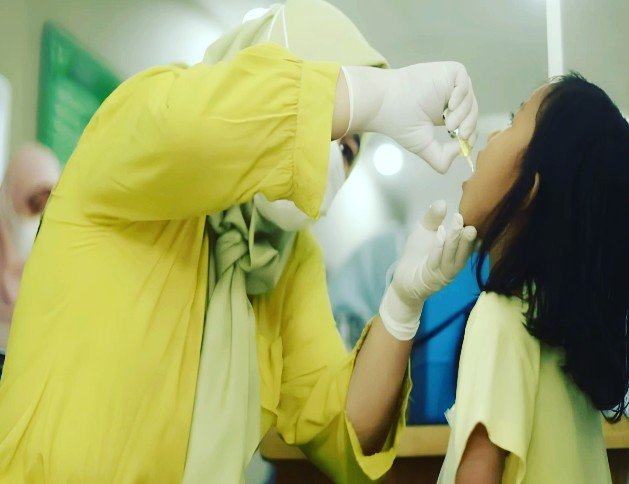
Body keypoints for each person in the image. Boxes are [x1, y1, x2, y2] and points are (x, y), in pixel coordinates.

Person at [0, 1, 478, 482]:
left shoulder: (288, 261)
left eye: (351, 146)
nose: (334, 151)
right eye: (333, 115)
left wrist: (401, 307)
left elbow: (343, 429)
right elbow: (192, 129)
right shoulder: (137, 126)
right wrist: (372, 97)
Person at [438, 73, 629, 483]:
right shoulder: (567, 343)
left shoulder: (501, 317)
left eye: (512, 120)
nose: (492, 135)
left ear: (529, 189)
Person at [0, 143, 60, 374]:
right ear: (18, 185)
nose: (43, 204)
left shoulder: (48, 229)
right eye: (38, 194)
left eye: (49, 195)